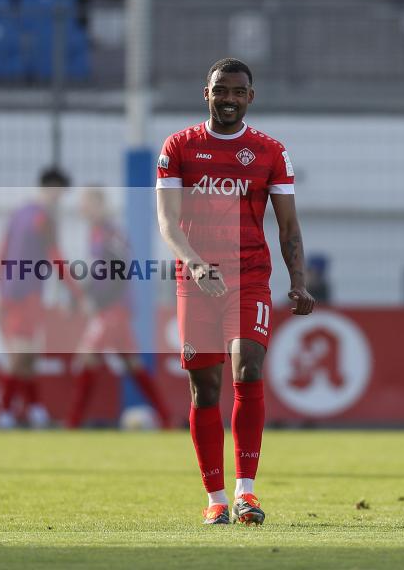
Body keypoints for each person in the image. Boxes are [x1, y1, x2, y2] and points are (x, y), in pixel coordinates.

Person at [156, 58, 315, 525]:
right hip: (196, 278)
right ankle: (216, 498)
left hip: (249, 277)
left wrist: (299, 281)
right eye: (220, 90)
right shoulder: (179, 147)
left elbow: (288, 226)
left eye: (237, 92)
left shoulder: (270, 152)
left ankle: (247, 493)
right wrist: (194, 262)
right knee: (205, 388)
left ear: (251, 97)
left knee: (248, 365)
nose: (228, 99)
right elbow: (167, 221)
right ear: (205, 93)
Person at [65, 187, 170, 429]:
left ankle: (72, 423)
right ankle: (166, 418)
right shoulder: (97, 233)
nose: (81, 208)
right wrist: (80, 298)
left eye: (86, 202)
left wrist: (97, 301)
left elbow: (119, 272)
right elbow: (97, 274)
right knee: (132, 364)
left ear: (99, 203)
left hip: (114, 309)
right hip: (112, 308)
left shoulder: (110, 233)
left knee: (87, 357)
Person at [0, 167, 78, 429]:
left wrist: (0, 290)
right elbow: (55, 256)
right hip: (26, 292)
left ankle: (34, 409)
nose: (60, 198)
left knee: (29, 354)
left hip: (14, 291)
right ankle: (5, 412)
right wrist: (75, 291)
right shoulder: (43, 218)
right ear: (52, 187)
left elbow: (1, 254)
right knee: (21, 354)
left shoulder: (19, 213)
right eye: (61, 193)